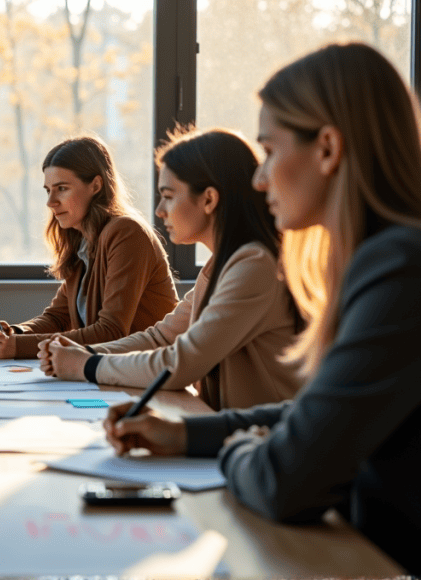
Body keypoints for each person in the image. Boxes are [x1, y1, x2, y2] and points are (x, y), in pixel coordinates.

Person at [102, 43, 421, 574]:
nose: (259, 177)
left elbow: (284, 479)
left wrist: (237, 449)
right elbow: (314, 411)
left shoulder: (399, 270)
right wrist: (184, 434)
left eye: (270, 150)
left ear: (327, 148)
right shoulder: (381, 261)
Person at [38, 128, 304, 410]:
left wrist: (87, 364)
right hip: (229, 430)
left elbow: (181, 362)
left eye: (169, 196)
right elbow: (161, 337)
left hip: (263, 440)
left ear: (209, 200)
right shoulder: (222, 265)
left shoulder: (254, 266)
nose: (160, 211)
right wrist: (83, 352)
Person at [0, 135, 178, 359]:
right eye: (48, 190)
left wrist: (19, 346)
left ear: (96, 185)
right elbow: (57, 318)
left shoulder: (127, 232)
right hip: (104, 371)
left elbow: (111, 332)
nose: (51, 202)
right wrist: (14, 333)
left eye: (62, 188)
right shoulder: (82, 241)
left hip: (143, 373)